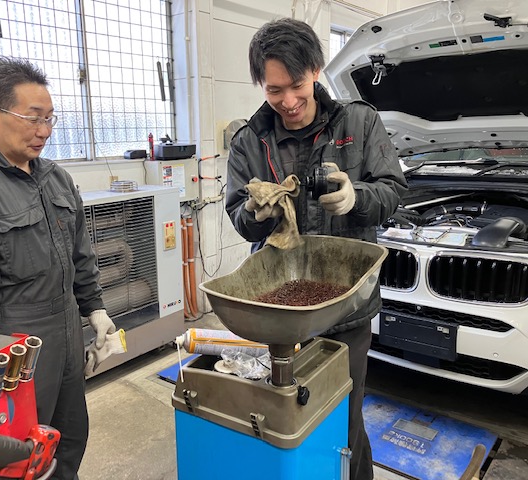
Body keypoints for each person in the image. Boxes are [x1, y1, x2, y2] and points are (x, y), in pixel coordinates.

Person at [226, 18, 407, 480]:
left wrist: (355, 198)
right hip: (280, 314)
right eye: (274, 90)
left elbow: (392, 190)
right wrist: (255, 212)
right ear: (260, 85)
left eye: (297, 86)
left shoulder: (359, 121)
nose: (288, 101)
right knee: (287, 420)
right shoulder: (249, 141)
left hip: (347, 309)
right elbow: (239, 218)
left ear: (315, 70)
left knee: (344, 419)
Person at [0, 58, 116, 480]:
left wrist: (95, 310)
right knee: (19, 457)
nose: (45, 131)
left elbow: (80, 254)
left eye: (50, 118)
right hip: (16, 352)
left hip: (67, 333)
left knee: (69, 439)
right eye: (33, 118)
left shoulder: (57, 179)